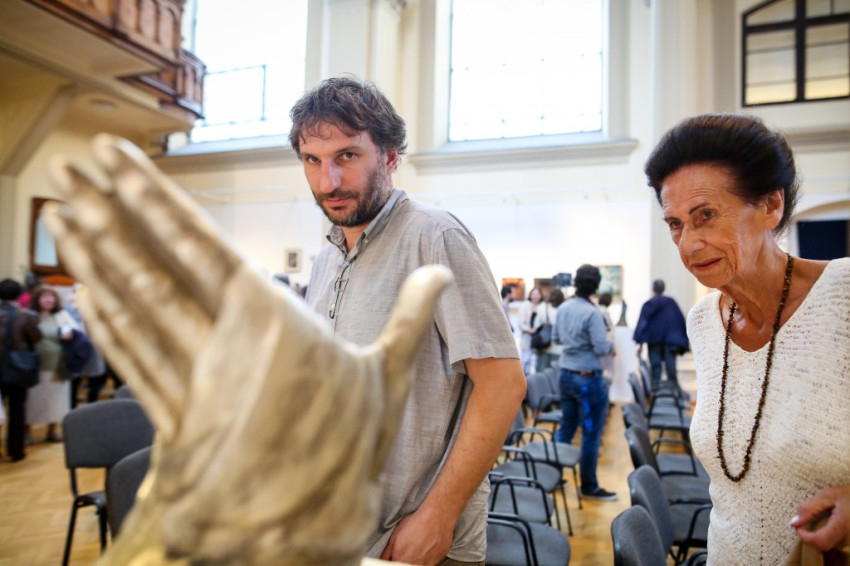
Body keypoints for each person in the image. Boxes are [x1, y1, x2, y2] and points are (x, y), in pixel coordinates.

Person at [289, 76, 526, 565]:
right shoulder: (326, 259)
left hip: (419, 539)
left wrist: (439, 514)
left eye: (347, 156)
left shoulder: (435, 237)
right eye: (312, 160)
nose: (327, 182)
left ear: (390, 157)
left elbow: (502, 384)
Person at [645, 113, 850, 564]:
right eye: (675, 224)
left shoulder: (843, 296)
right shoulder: (704, 321)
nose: (688, 245)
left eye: (706, 216)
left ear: (771, 205)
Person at [551, 264, 617, 501]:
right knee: (590, 433)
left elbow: (556, 337)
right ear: (596, 286)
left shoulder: (564, 308)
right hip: (587, 380)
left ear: (576, 282)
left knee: (566, 428)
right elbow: (600, 347)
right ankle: (589, 486)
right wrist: (611, 343)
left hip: (566, 375)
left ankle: (553, 477)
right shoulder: (592, 313)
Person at [27, 285, 77, 442]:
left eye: (51, 297)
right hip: (34, 366)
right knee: (32, 400)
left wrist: (70, 335)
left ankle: (52, 429)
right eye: (45, 297)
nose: (48, 300)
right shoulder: (30, 315)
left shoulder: (61, 315)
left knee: (56, 401)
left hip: (58, 366)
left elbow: (76, 332)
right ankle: (27, 430)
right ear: (37, 299)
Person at [0, 279, 42, 461]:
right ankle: (16, 450)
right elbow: (36, 337)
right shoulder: (24, 316)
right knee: (17, 408)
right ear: (19, 295)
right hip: (17, 367)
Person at [633, 279, 689, 387]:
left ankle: (656, 390)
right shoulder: (671, 303)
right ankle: (673, 390)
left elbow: (642, 323)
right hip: (670, 341)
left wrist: (639, 342)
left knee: (655, 367)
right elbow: (679, 321)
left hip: (654, 340)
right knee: (671, 367)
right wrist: (681, 340)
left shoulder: (649, 304)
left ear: (652, 289)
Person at [518, 287, 553, 375]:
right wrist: (529, 329)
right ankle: (526, 379)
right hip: (527, 336)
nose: (535, 296)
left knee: (539, 360)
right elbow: (520, 322)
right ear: (530, 295)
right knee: (526, 360)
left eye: (537, 294)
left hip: (540, 336)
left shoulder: (544, 306)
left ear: (541, 295)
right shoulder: (525, 306)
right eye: (533, 294)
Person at [535, 288, 565, 372]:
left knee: (541, 372)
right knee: (555, 374)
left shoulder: (542, 307)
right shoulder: (565, 309)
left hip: (543, 345)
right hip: (559, 348)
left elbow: (536, 325)